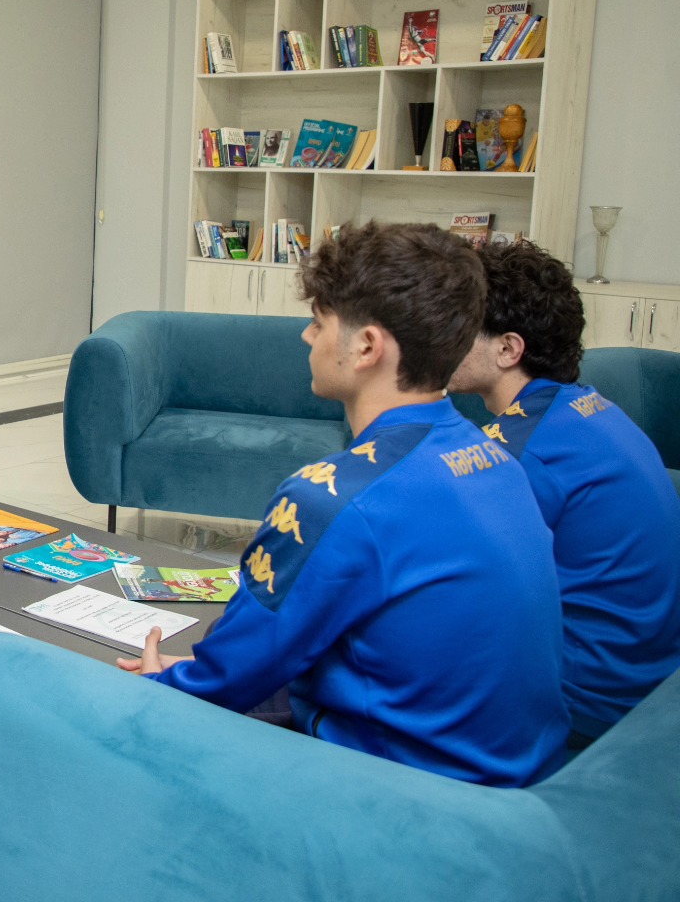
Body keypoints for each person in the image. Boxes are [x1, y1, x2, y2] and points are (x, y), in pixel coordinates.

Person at [119, 221, 570, 787]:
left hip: (407, 794)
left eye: (318, 321)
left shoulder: (331, 496)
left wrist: (160, 684)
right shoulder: (497, 460)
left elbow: (221, 683)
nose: (307, 337)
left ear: (366, 347)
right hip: (517, 778)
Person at [448, 239, 680, 744]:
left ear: (508, 349)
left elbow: (451, 592)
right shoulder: (591, 409)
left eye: (457, 324)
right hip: (646, 678)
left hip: (585, 700)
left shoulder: (520, 450)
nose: (440, 336)